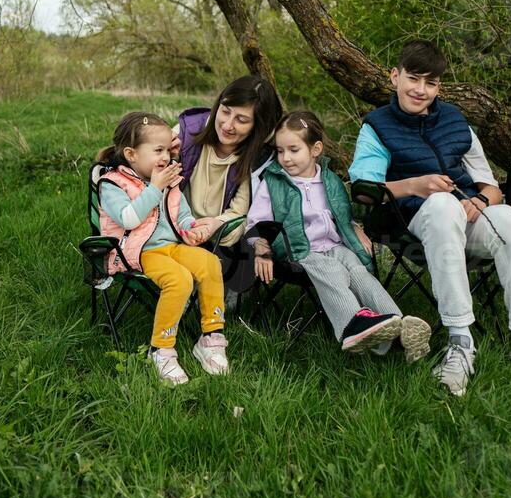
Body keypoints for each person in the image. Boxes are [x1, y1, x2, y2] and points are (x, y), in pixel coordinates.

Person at [349, 40, 511, 396]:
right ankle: (460, 341)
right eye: (413, 79)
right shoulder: (377, 125)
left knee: (509, 219)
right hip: (413, 220)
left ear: (439, 87)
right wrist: (416, 185)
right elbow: (363, 190)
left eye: (430, 83)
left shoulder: (455, 121)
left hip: (467, 217)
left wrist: (481, 201)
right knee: (442, 205)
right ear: (394, 77)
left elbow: (492, 186)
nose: (420, 90)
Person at [246, 110, 433, 360]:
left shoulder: (330, 180)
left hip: (334, 245)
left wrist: (354, 227)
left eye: (293, 150)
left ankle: (398, 325)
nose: (285, 158)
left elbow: (342, 213)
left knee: (358, 271)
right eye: (280, 151)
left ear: (315, 149)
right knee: (333, 271)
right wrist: (262, 250)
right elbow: (256, 222)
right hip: (298, 249)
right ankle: (352, 326)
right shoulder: (273, 182)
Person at [96, 111, 229, 386]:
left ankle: (210, 338)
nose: (166, 156)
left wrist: (192, 228)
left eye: (168, 149)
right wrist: (155, 188)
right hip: (137, 253)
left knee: (209, 262)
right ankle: (162, 350)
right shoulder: (111, 184)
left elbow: (181, 213)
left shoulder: (167, 180)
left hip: (170, 246)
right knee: (178, 279)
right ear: (131, 154)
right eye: (158, 150)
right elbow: (129, 219)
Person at [172, 76, 284, 292]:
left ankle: (222, 285)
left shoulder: (259, 161)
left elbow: (241, 215)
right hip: (176, 227)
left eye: (242, 120)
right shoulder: (188, 132)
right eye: (225, 111)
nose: (228, 125)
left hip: (222, 239)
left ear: (258, 126)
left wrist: (216, 224)